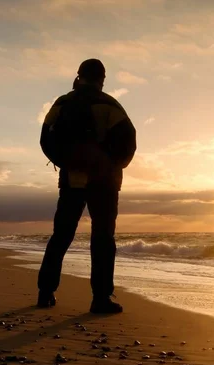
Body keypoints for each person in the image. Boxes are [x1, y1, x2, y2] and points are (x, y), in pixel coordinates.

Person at [37, 59, 137, 313]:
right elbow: (129, 143)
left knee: (61, 235)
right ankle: (100, 299)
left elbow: (45, 137)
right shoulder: (110, 105)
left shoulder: (62, 103)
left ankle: (45, 292)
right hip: (104, 183)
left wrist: (66, 162)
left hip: (72, 180)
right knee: (102, 238)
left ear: (79, 76)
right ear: (102, 79)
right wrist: (113, 167)